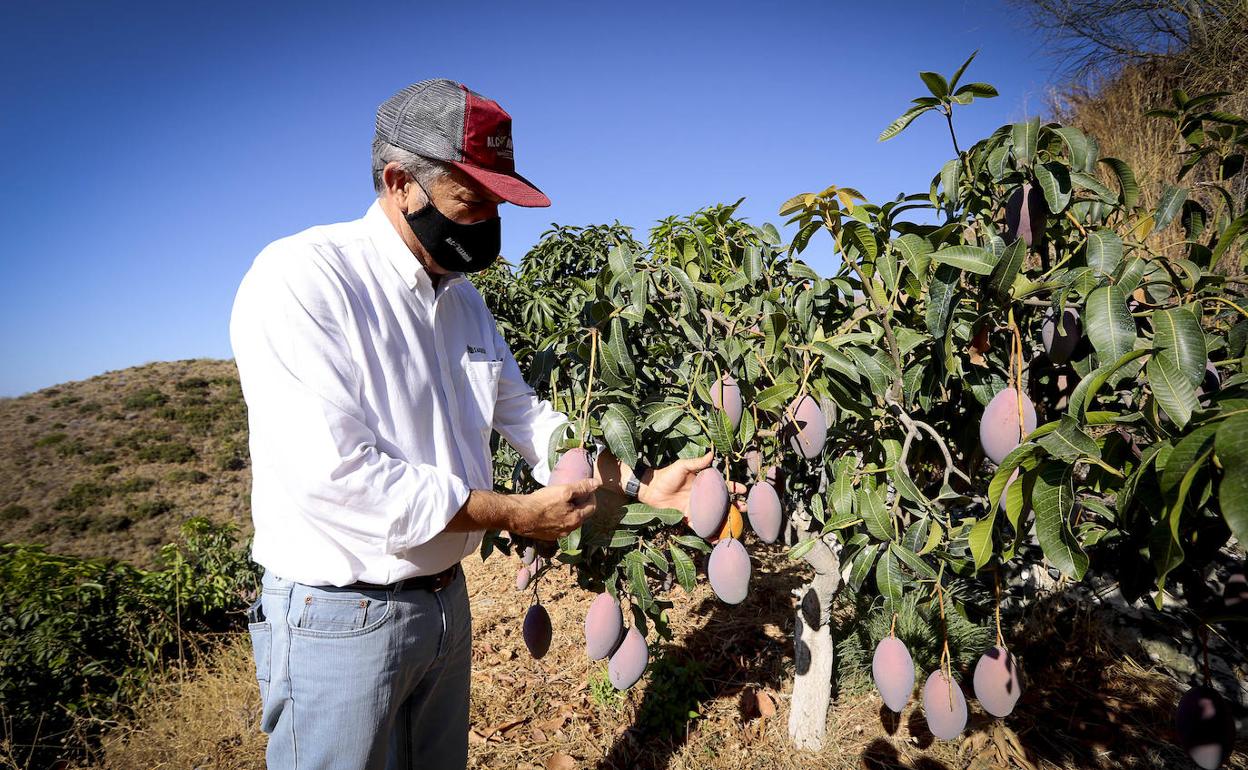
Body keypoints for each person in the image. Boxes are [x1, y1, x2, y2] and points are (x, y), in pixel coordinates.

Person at [229, 78, 732, 770]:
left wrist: (642, 486)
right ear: (400, 182)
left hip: (443, 607)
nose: (488, 220)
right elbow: (337, 477)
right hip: (338, 621)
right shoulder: (303, 281)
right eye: (474, 199)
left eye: (497, 202)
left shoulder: (463, 303)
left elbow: (526, 417)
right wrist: (514, 515)